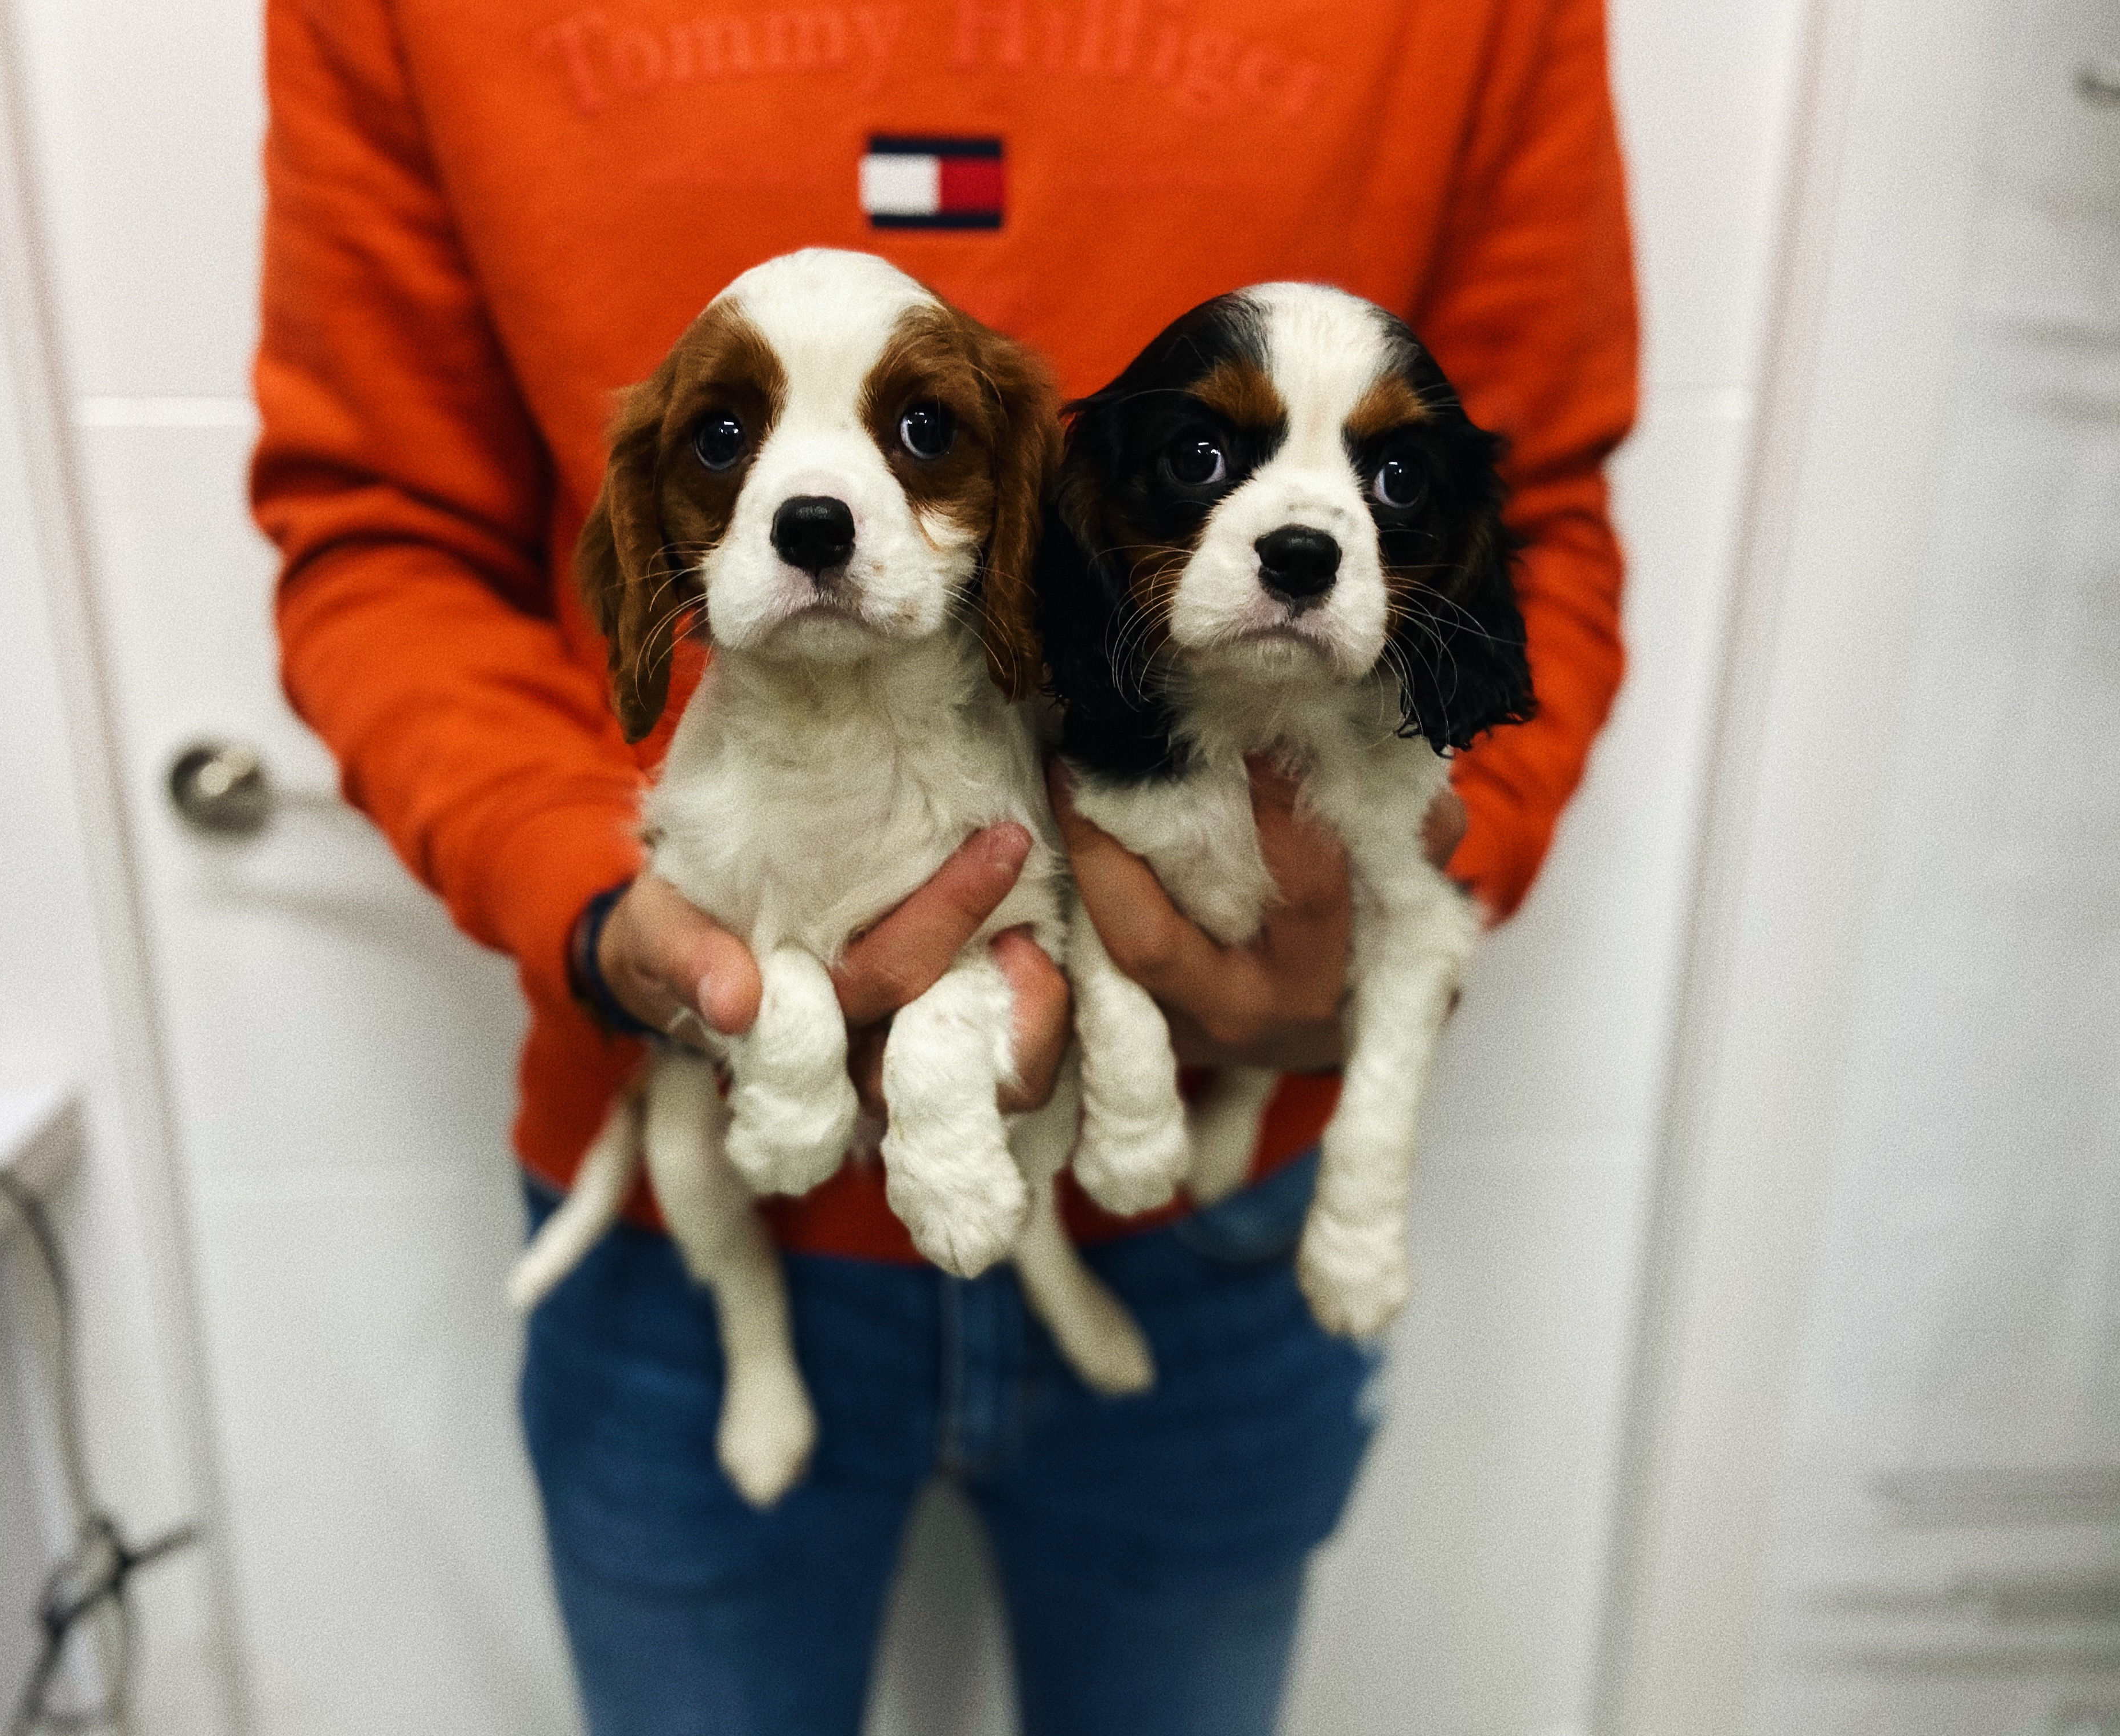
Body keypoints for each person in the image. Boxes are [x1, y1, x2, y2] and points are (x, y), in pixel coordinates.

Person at [251, 3, 1637, 1731]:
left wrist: (1374, 893)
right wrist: (591, 899)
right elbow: (380, 524)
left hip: (1225, 1212)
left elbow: (1533, 507)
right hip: (681, 1201)